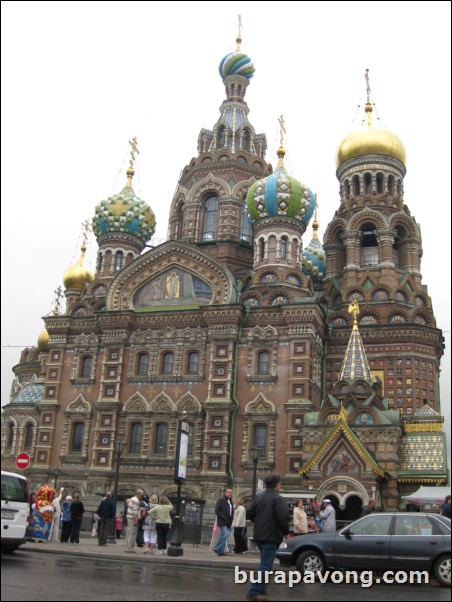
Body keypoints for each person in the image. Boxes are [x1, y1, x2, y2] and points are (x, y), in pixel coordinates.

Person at [245, 474, 289, 601]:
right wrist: (285, 531)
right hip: (271, 536)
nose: (280, 486)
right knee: (265, 565)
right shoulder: (278, 498)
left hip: (259, 535)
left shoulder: (259, 497)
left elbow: (249, 513)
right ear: (276, 485)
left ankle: (262, 589)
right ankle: (252, 592)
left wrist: (258, 521)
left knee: (266, 564)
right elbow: (282, 517)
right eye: (279, 483)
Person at [213, 488, 234, 556]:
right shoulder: (221, 500)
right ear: (225, 493)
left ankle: (221, 551)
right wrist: (224, 517)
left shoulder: (230, 502)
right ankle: (217, 548)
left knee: (226, 536)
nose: (230, 494)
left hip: (229, 522)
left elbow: (231, 512)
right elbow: (217, 510)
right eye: (229, 492)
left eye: (231, 492)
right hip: (222, 521)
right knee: (224, 534)